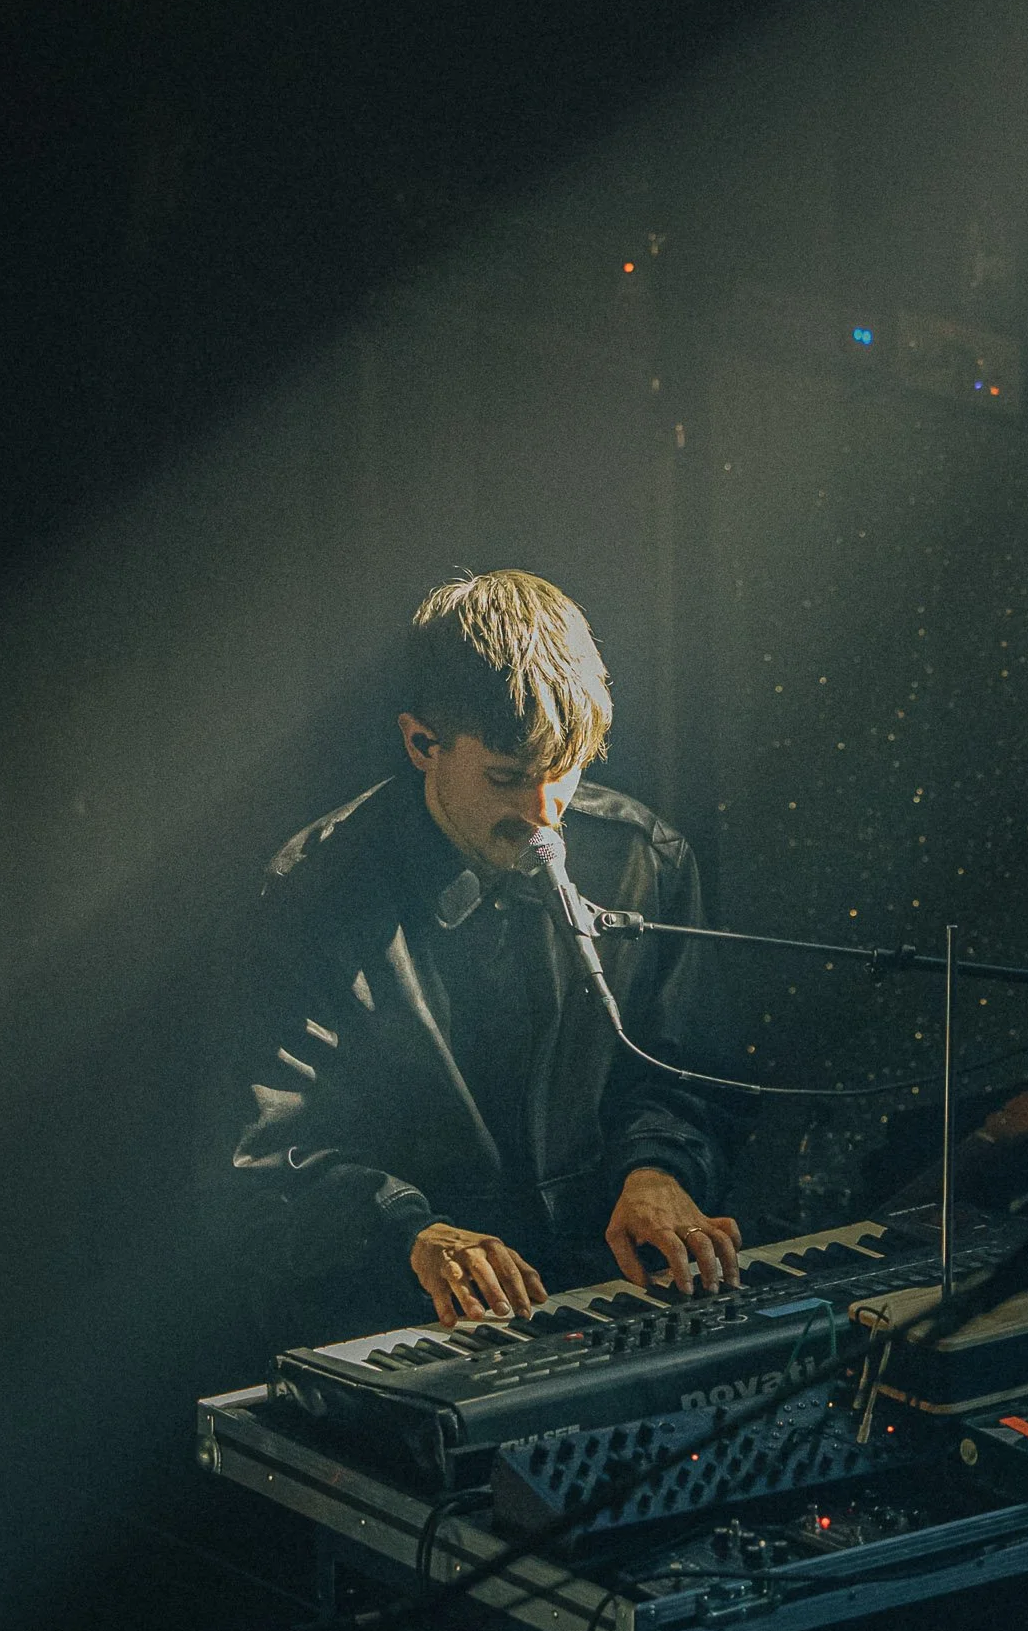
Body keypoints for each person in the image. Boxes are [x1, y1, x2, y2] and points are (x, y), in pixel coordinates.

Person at [221, 570, 743, 1344]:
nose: (543, 816)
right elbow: (266, 1153)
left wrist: (657, 1169)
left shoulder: (643, 857)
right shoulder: (313, 891)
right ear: (422, 743)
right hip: (401, 1317)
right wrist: (412, 1233)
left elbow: (682, 1072)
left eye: (563, 772)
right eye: (508, 778)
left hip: (606, 1291)